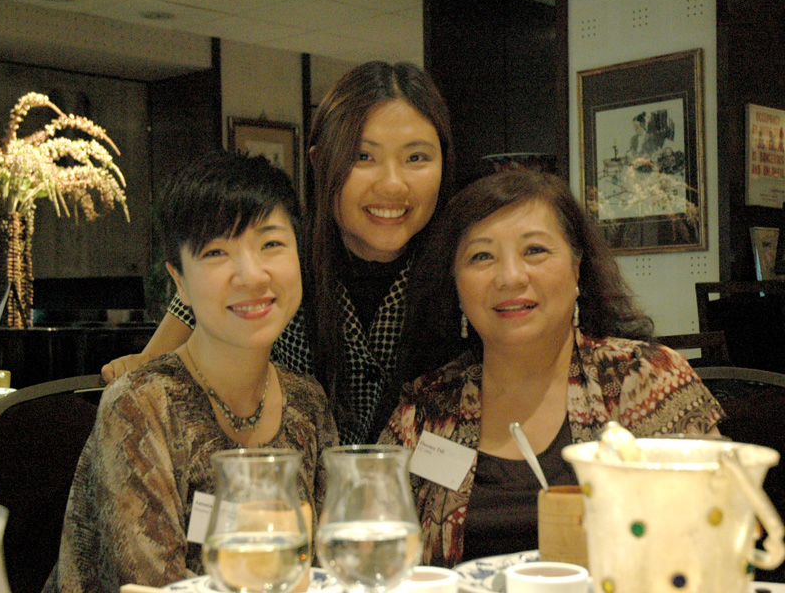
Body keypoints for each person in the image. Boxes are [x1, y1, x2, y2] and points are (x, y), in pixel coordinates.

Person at [379, 169, 724, 568]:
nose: (510, 277)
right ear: (455, 284)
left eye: (535, 251)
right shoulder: (426, 408)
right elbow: (377, 548)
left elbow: (720, 532)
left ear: (577, 268)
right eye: (481, 256)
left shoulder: (644, 378)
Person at [101, 60, 455, 445]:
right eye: (362, 156)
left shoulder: (464, 271)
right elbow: (156, 361)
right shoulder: (275, 260)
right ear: (320, 162)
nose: (392, 184)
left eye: (416, 158)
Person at [43, 152, 338, 592]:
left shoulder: (306, 402)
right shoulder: (141, 405)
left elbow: (327, 572)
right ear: (179, 281)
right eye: (216, 252)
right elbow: (149, 586)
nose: (252, 274)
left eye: (271, 244)